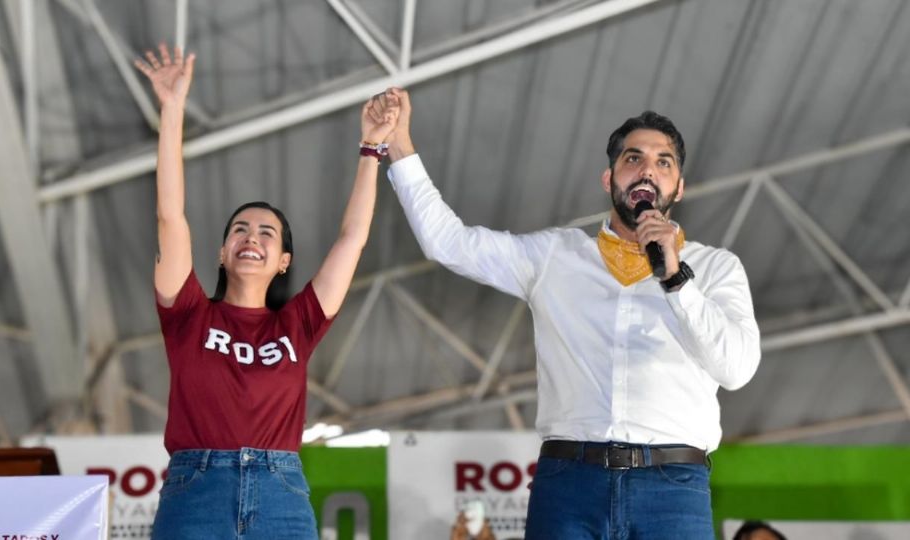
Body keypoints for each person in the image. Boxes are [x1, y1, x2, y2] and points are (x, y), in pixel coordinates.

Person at [371, 89, 761, 539]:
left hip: (670, 485)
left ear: (679, 187)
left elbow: (736, 369)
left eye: (663, 162)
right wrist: (398, 146)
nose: (648, 170)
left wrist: (676, 278)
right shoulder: (555, 256)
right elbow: (450, 243)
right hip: (570, 483)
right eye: (633, 159)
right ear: (609, 177)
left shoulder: (716, 268)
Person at [134, 44, 398, 539]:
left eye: (267, 232)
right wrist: (172, 111)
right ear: (220, 252)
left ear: (283, 263)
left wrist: (371, 150)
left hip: (281, 494)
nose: (251, 236)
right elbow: (170, 216)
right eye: (239, 229)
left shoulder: (299, 323)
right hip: (196, 491)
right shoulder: (187, 311)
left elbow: (352, 239)